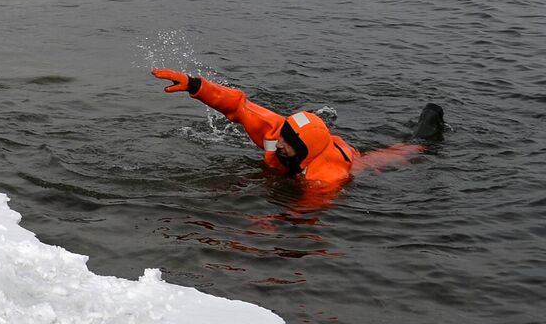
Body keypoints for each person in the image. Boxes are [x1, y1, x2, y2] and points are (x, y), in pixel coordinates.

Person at [151, 68, 438, 191]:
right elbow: (240, 107)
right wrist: (195, 85)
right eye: (281, 137)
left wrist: (270, 222)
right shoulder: (278, 132)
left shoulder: (324, 179)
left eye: (286, 143)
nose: (277, 143)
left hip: (352, 163)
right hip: (318, 152)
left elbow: (303, 215)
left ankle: (430, 131)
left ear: (302, 150)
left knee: (412, 149)